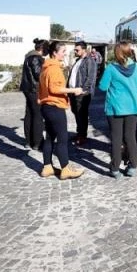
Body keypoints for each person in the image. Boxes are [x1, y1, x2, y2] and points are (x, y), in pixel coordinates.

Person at [38, 41, 85, 180]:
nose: (65, 54)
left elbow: (41, 90)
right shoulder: (53, 68)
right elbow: (54, 89)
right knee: (62, 139)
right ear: (55, 52)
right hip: (55, 107)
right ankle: (65, 168)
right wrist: (74, 90)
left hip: (46, 107)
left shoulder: (45, 68)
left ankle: (47, 167)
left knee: (50, 138)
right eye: (63, 51)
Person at [98, 40, 137, 179]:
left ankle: (115, 169)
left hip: (115, 109)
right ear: (129, 52)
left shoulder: (111, 68)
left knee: (117, 139)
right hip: (133, 108)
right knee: (130, 138)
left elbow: (102, 86)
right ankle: (133, 166)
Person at [20, 38, 47, 150]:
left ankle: (28, 141)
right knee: (37, 115)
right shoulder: (36, 58)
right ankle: (37, 142)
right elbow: (38, 74)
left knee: (29, 114)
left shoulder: (28, 56)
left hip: (28, 89)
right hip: (34, 89)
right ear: (42, 48)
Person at [68, 41, 97, 146]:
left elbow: (91, 78)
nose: (75, 51)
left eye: (77, 49)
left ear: (84, 49)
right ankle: (79, 133)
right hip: (73, 92)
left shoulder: (89, 61)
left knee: (82, 114)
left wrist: (84, 89)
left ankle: (82, 136)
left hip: (82, 93)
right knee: (77, 113)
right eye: (75, 49)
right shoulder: (78, 60)